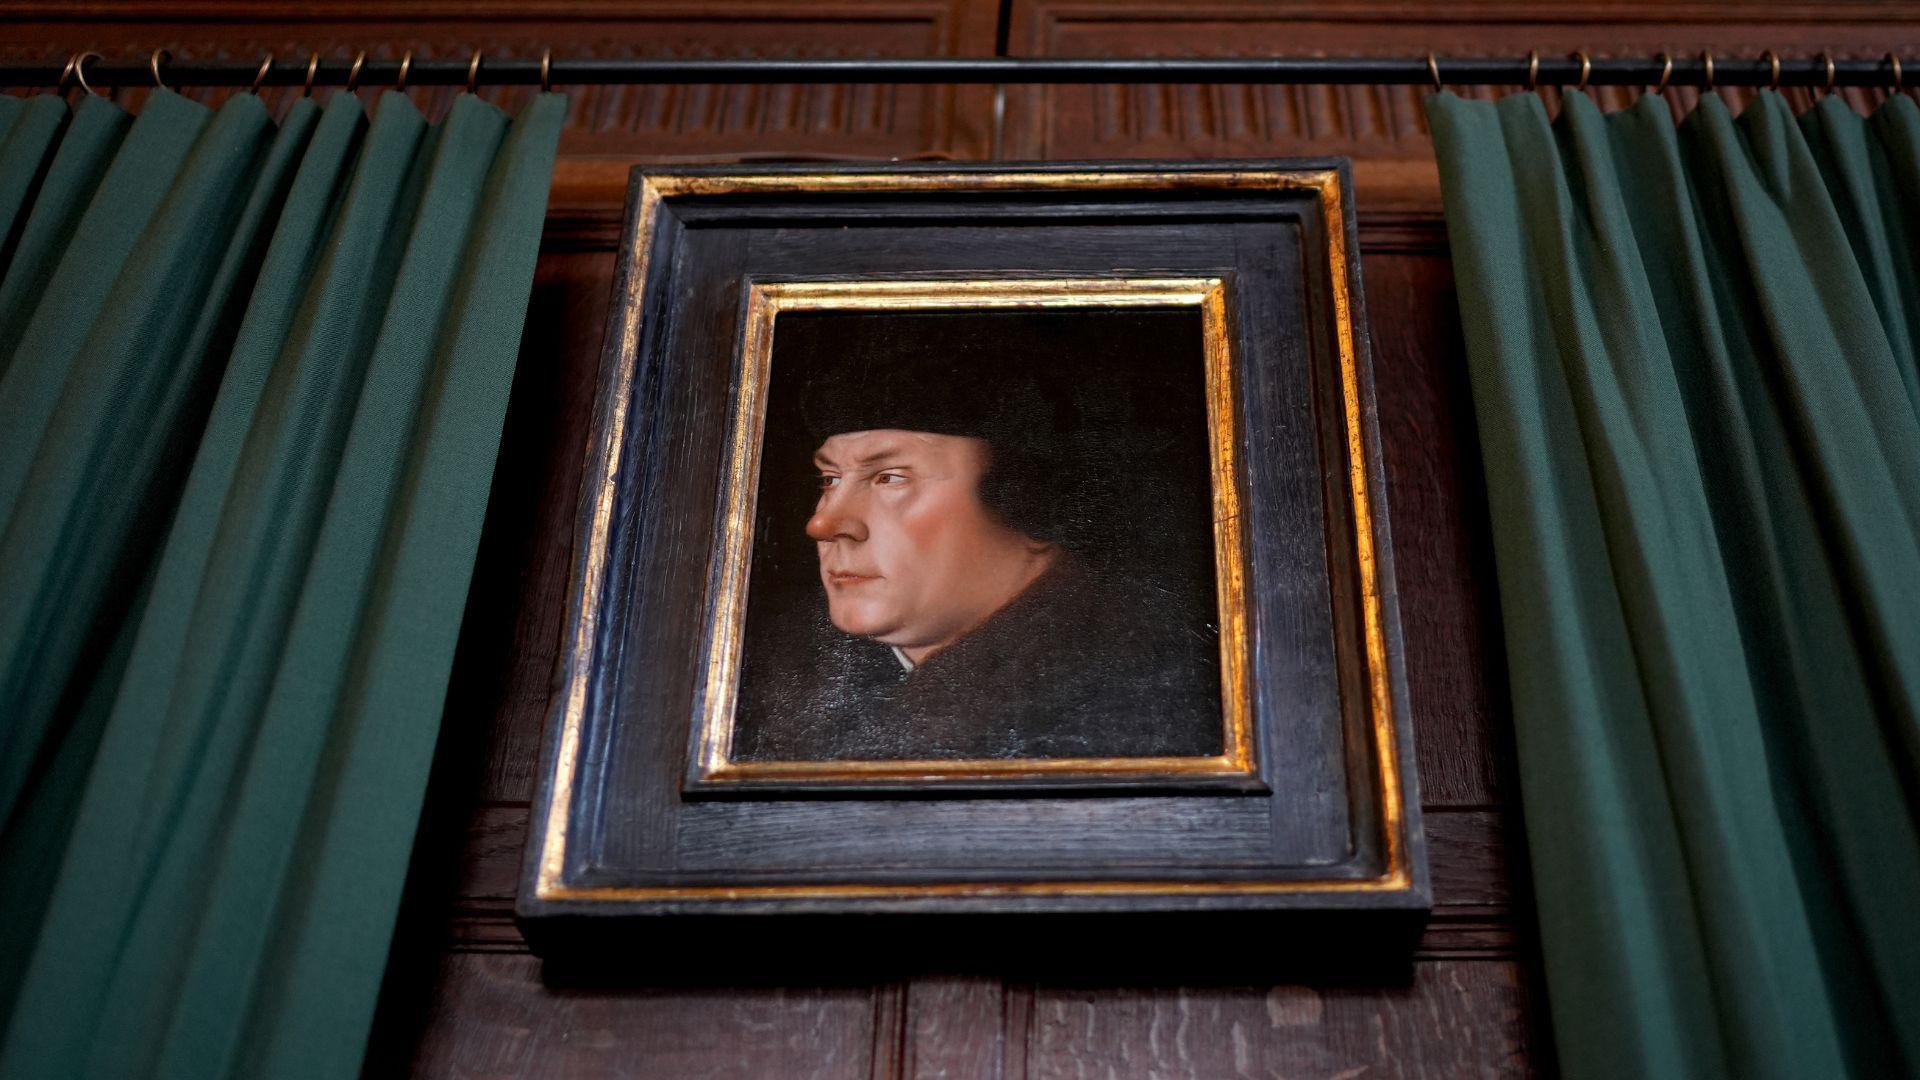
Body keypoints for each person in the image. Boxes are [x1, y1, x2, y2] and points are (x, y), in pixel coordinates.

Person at [731, 310, 1224, 762]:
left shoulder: (1141, 687)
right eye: (829, 479)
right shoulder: (780, 685)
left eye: (890, 478)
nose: (822, 524)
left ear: (1027, 500)